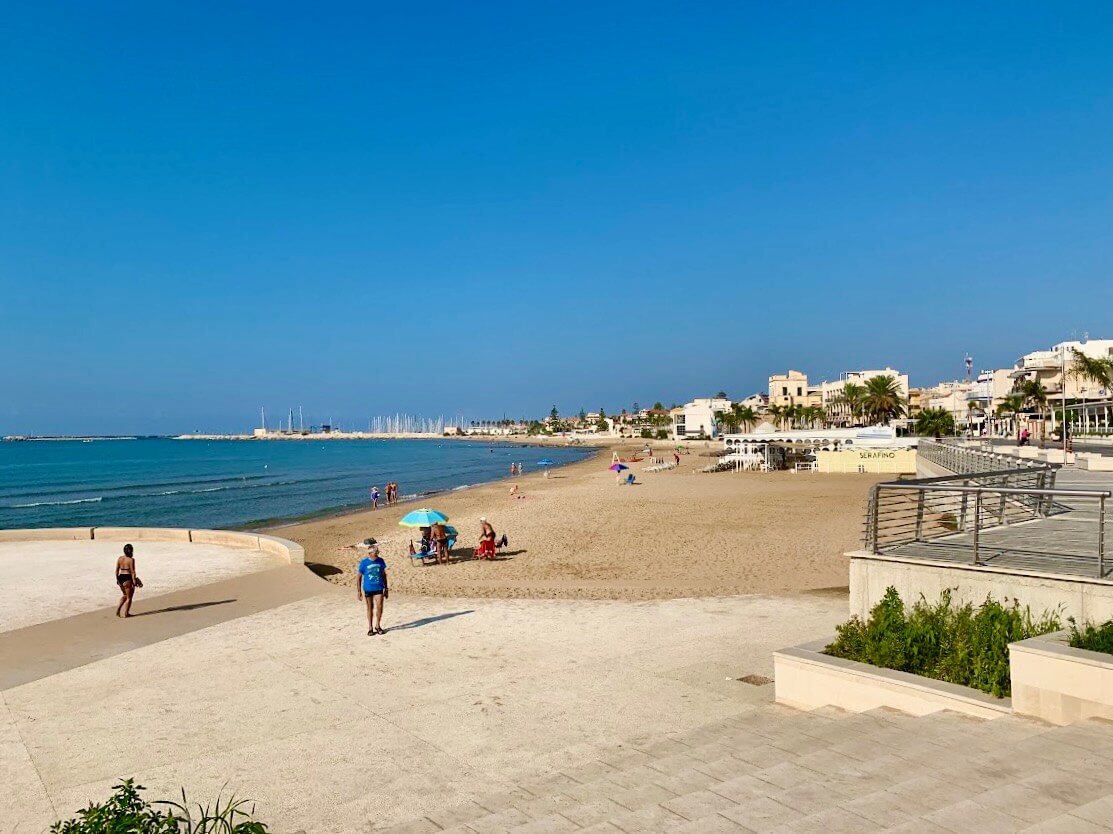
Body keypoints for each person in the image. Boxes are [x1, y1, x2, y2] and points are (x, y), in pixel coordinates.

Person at [356, 545, 388, 636]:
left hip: (379, 587)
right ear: (370, 553)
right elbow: (358, 577)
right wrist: (359, 591)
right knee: (370, 608)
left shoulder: (381, 561)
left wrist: (386, 588)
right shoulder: (364, 563)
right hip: (368, 588)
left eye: (377, 551)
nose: (377, 553)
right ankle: (370, 627)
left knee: (380, 607)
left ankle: (378, 625)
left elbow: (384, 575)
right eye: (375, 552)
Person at [115, 543, 143, 618]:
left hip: (120, 577)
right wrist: (134, 582)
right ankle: (126, 613)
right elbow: (133, 572)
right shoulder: (131, 560)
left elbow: (116, 570)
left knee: (124, 595)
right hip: (127, 578)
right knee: (129, 598)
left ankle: (118, 609)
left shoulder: (120, 558)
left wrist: (117, 580)